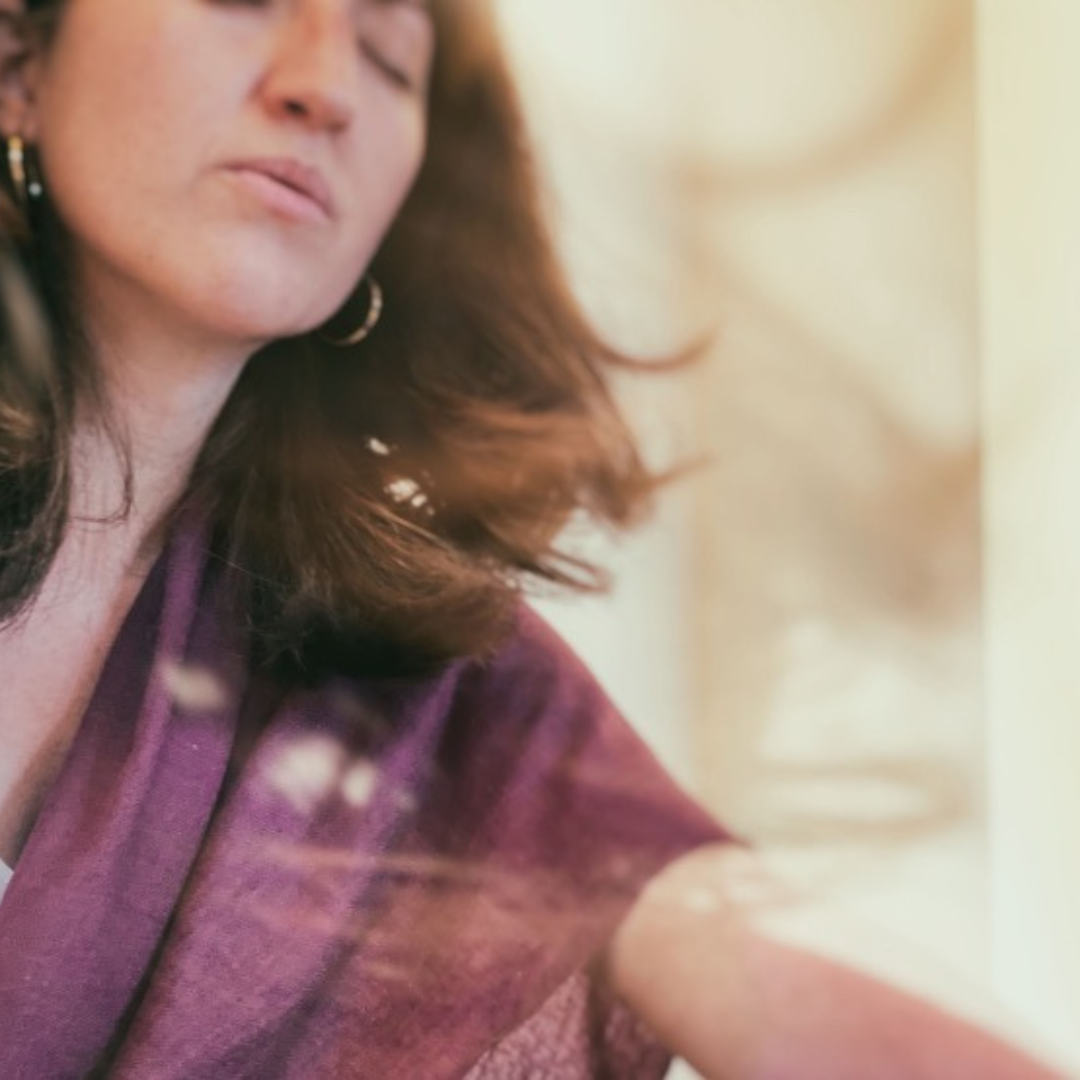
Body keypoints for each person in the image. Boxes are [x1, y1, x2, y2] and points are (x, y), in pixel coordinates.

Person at [0, 1, 1065, 1077]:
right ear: (20, 63)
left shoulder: (423, 693)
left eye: (391, 58)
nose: (325, 86)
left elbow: (762, 969)